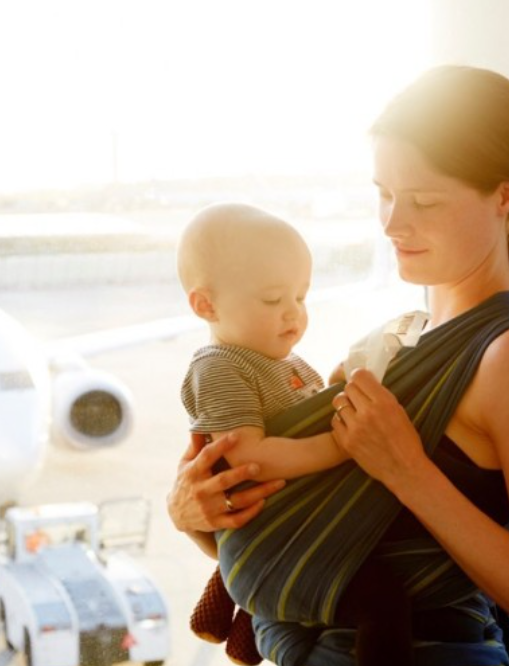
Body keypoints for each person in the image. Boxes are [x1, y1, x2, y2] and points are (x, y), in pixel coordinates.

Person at [167, 64, 509, 666]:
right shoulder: (406, 337)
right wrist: (195, 510)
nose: (393, 223)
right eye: (384, 193)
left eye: (424, 200)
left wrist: (406, 468)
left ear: (505, 195)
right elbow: (328, 550)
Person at [177, 202, 413, 665]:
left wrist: (339, 382)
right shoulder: (221, 367)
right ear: (206, 305)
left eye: (301, 297)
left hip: (290, 524)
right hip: (275, 538)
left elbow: (300, 418)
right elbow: (253, 458)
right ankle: (244, 611)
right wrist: (341, 444)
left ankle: (242, 624)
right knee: (383, 599)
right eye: (272, 300)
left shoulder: (283, 362)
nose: (293, 314)